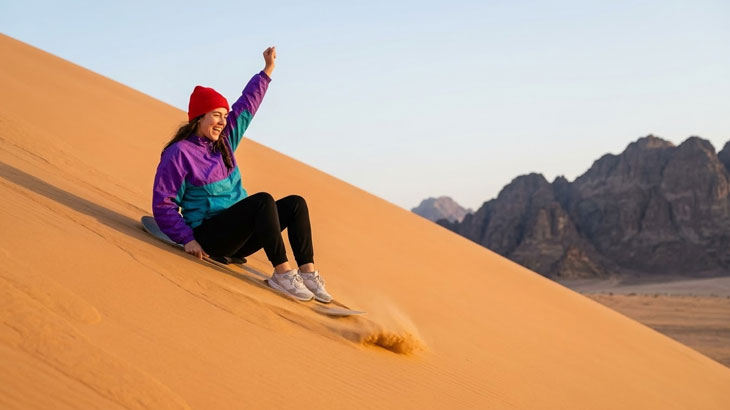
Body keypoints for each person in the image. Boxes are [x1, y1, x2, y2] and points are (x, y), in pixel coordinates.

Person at [151, 46, 331, 303]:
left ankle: (308, 273)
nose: (223, 121)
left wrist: (267, 71)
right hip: (210, 237)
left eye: (224, 116)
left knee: (295, 204)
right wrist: (187, 239)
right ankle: (282, 274)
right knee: (262, 201)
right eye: (216, 115)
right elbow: (163, 204)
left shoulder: (223, 142)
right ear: (199, 118)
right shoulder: (179, 154)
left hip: (238, 240)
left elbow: (247, 105)